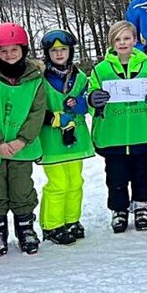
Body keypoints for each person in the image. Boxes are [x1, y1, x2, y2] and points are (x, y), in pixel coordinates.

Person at [88, 21, 147, 233]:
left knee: (143, 175)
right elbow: (91, 95)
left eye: (127, 38)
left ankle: (141, 206)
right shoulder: (101, 70)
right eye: (118, 39)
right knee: (116, 177)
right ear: (111, 42)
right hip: (112, 135)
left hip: (142, 132)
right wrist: (93, 99)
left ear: (135, 40)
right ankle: (119, 210)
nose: (122, 43)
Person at [0, 22, 48, 256]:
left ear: (23, 50)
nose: (9, 55)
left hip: (22, 146)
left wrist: (22, 139)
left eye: (14, 50)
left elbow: (37, 112)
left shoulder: (34, 78)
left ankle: (25, 226)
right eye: (3, 51)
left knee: (22, 188)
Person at [37, 29, 94, 246]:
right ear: (47, 53)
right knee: (58, 183)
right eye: (54, 51)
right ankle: (52, 224)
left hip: (75, 137)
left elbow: (90, 101)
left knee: (75, 181)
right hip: (52, 139)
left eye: (63, 49)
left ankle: (71, 220)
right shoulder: (40, 79)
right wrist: (52, 118)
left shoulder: (80, 77)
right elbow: (33, 108)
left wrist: (81, 104)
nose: (59, 54)